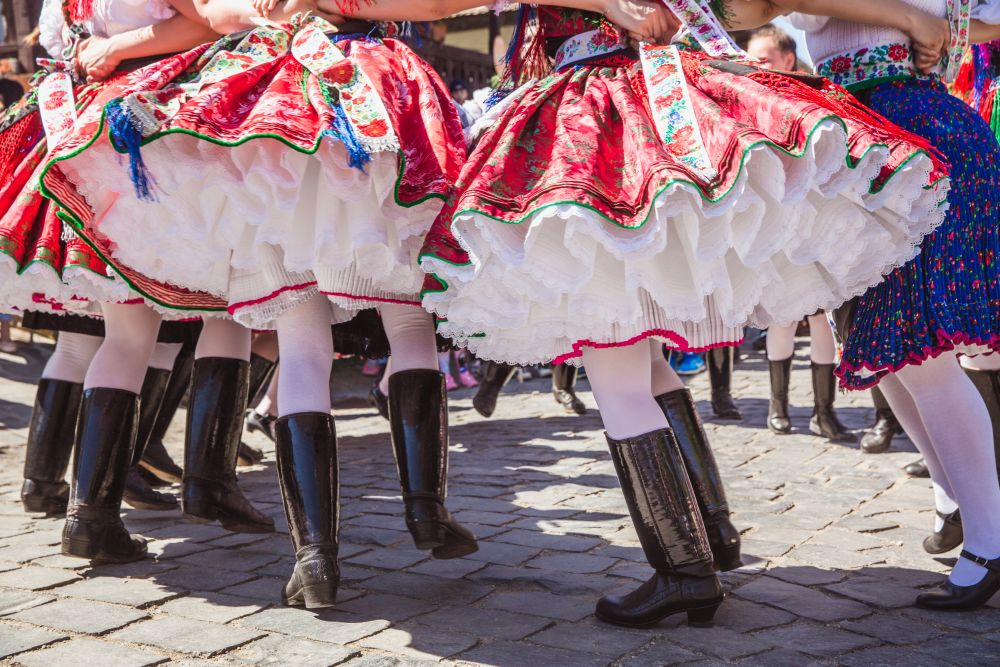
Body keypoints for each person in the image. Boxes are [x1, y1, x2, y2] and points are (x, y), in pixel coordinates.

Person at [419, 0, 953, 627]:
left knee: (615, 363)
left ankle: (683, 570)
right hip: (652, 104)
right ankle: (712, 534)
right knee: (641, 362)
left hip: (598, 119)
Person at [780, 0, 1000, 610]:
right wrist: (915, 22)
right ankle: (962, 506)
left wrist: (926, 26)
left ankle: (988, 536)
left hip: (901, 131)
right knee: (893, 352)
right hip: (870, 128)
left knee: (921, 354)